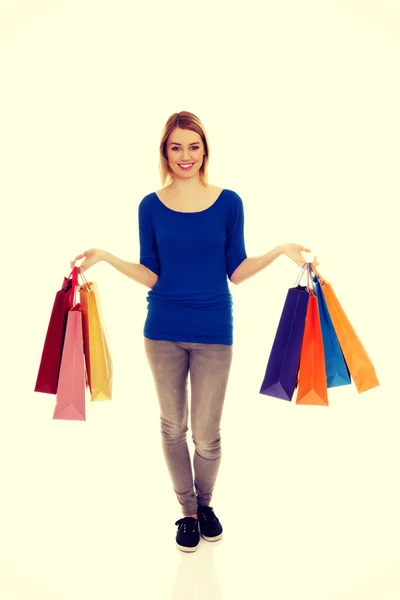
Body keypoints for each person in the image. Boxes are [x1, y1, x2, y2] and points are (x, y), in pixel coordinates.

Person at [71, 111, 317, 553]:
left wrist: (281, 251)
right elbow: (151, 273)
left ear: (205, 150)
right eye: (176, 147)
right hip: (162, 330)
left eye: (194, 146)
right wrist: (106, 257)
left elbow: (236, 271)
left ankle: (206, 506)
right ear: (165, 152)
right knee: (172, 427)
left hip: (214, 331)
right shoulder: (150, 204)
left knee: (207, 433)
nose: (185, 156)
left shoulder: (230, 202)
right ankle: (186, 512)